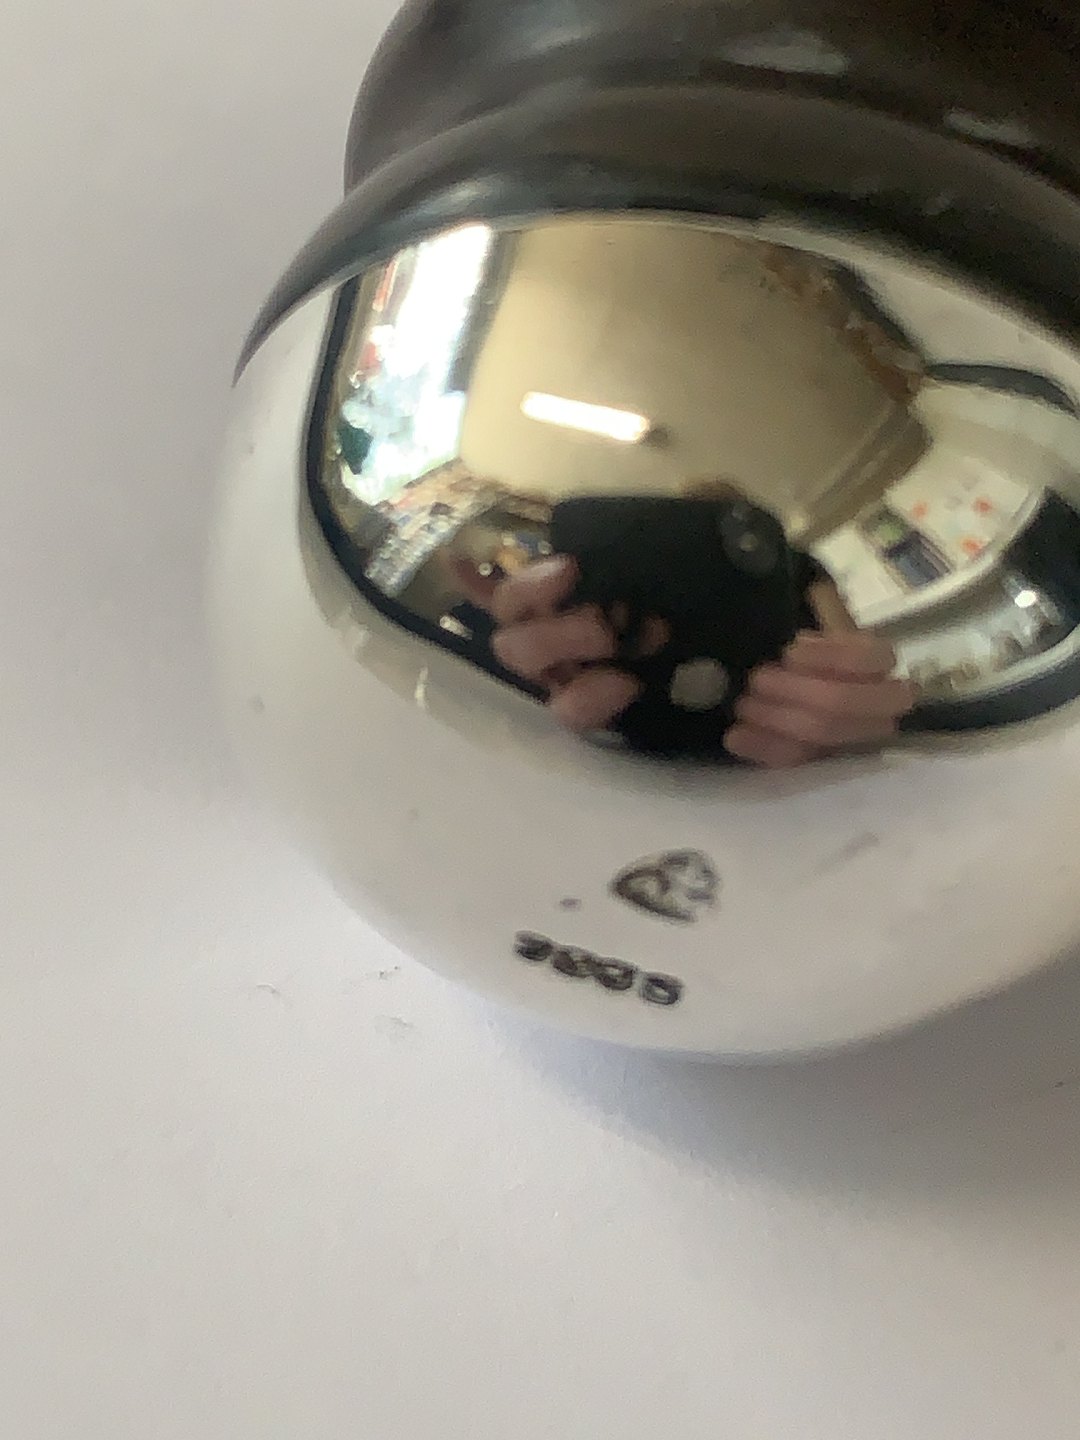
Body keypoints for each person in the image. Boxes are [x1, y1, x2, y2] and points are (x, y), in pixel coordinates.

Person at [454, 483, 915, 769]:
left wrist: (854, 719)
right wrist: (535, 702)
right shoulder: (590, 597)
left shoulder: (801, 572)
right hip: (645, 778)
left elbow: (849, 654)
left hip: (790, 781)